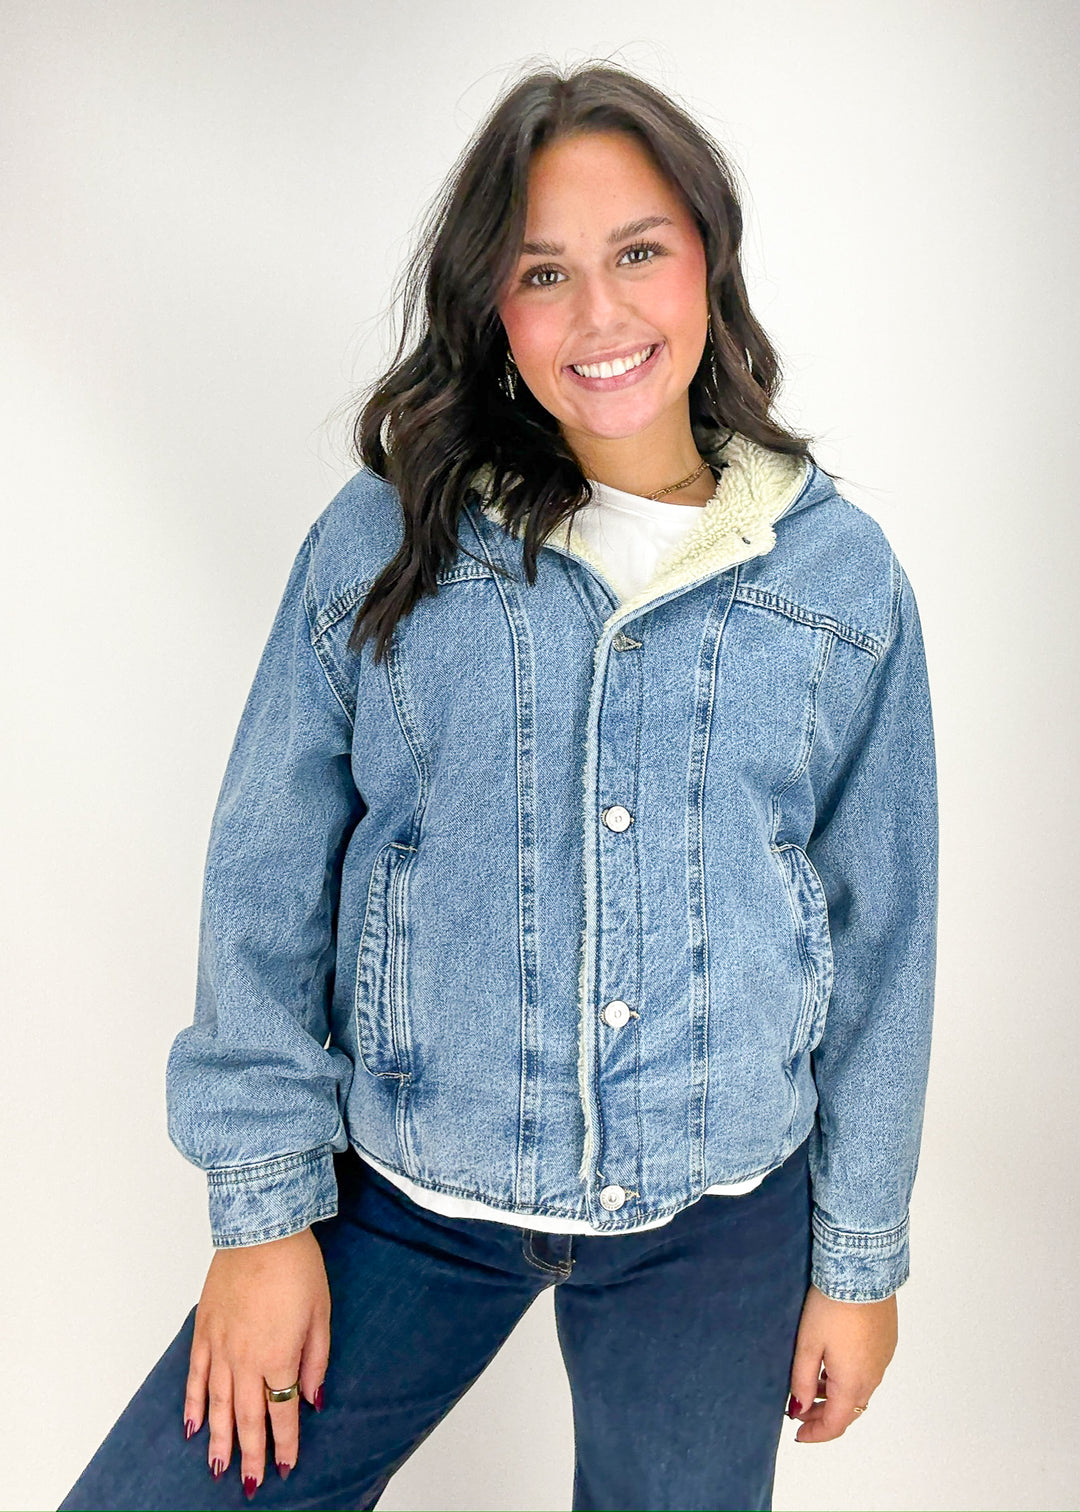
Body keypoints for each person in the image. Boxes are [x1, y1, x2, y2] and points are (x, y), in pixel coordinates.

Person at [58, 59, 938, 1512]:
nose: (601, 315)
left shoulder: (839, 581)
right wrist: (264, 1215)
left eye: (638, 252)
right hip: (404, 1196)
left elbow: (884, 938)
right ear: (494, 309)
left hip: (715, 1217)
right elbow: (264, 877)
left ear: (708, 256)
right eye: (544, 272)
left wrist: (857, 1263)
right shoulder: (385, 538)